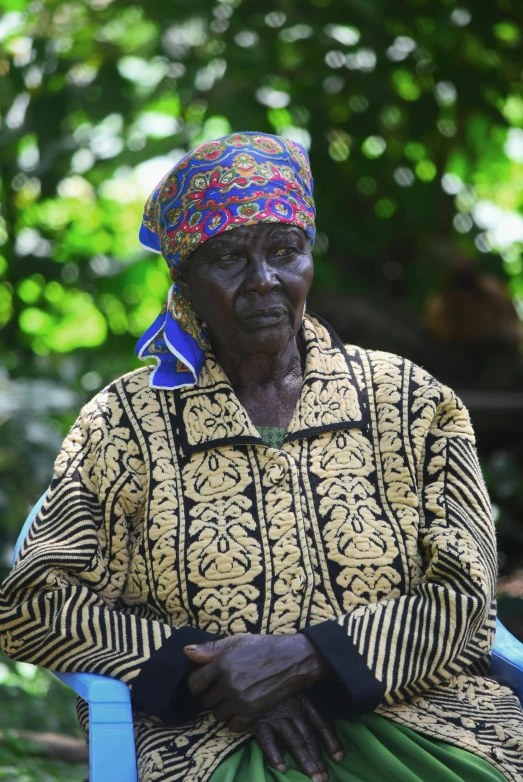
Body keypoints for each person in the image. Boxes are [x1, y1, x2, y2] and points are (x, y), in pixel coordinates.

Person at [1, 132, 522, 782]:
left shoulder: (412, 403)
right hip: (210, 739)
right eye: (229, 258)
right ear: (183, 277)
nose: (263, 281)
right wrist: (213, 677)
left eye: (284, 250)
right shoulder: (125, 423)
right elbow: (35, 604)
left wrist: (310, 658)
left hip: (418, 717)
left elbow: (466, 594)